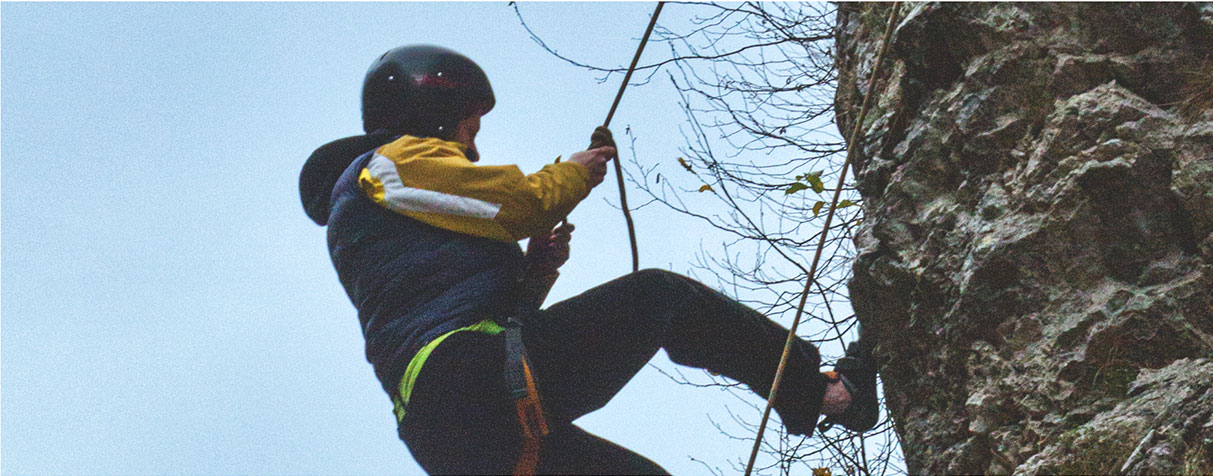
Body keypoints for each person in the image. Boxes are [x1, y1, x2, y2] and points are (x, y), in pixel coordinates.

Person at [299, 44, 879, 475]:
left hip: (444, 432)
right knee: (662, 296)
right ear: (437, 108)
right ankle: (823, 392)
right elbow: (522, 203)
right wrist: (577, 172)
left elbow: (456, 303)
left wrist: (535, 273)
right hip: (472, 377)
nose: (473, 143)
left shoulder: (376, 217)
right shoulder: (391, 164)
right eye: (470, 125)